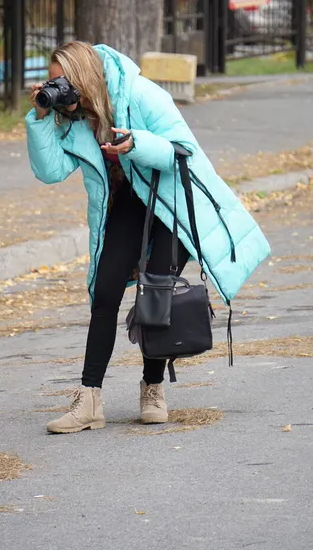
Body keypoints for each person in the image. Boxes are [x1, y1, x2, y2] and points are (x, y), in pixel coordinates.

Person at [25, 41, 270, 434]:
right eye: (53, 84)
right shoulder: (71, 118)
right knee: (104, 291)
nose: (59, 91)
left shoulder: (141, 93)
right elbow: (50, 171)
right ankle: (89, 400)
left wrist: (137, 144)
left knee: (157, 288)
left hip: (171, 198)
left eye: (62, 83)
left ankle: (153, 388)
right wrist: (40, 117)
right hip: (129, 203)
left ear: (83, 76)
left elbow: (183, 149)